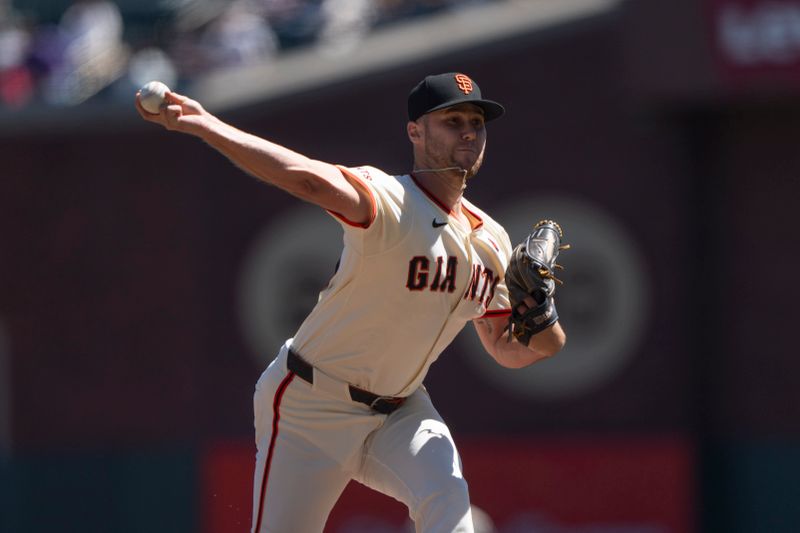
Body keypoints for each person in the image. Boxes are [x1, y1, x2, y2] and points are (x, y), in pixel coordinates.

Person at [135, 72, 566, 533]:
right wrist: (207, 125)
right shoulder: (390, 199)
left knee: (450, 505)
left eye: (476, 123)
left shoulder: (492, 240)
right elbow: (306, 179)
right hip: (310, 405)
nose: (467, 131)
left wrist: (544, 315)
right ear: (415, 132)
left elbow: (510, 347)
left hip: (400, 411)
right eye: (452, 119)